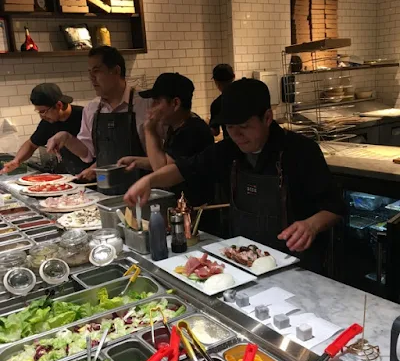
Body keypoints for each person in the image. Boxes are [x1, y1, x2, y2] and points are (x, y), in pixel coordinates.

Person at [124, 78, 346, 271]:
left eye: (244, 126)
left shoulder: (301, 151)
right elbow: (185, 169)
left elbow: (335, 208)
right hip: (243, 261)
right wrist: (149, 180)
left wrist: (312, 225)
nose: (237, 135)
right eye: (230, 128)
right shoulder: (230, 149)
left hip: (296, 266)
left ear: (267, 118)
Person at [46, 46, 151, 195]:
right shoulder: (92, 109)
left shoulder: (146, 104)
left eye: (96, 71)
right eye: (89, 72)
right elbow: (87, 153)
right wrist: (66, 138)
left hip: (146, 193)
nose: (91, 78)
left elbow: (163, 157)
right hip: (106, 195)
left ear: (115, 71)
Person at [118, 72, 215, 208]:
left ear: (175, 103)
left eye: (157, 102)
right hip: (182, 205)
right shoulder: (176, 126)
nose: (152, 108)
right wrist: (136, 161)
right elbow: (168, 161)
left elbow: (162, 170)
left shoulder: (192, 130)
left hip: (197, 209)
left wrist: (149, 130)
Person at [0, 83, 91, 176]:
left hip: (96, 176)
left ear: (59, 105)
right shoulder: (48, 122)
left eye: (43, 111)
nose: (41, 116)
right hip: (71, 177)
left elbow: (99, 152)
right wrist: (17, 160)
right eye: (38, 112)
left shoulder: (85, 116)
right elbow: (31, 144)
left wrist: (93, 171)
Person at [209, 64, 235, 139]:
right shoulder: (247, 95)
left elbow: (215, 132)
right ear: (234, 77)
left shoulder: (217, 104)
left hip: (231, 144)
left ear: (216, 82)